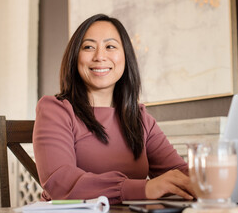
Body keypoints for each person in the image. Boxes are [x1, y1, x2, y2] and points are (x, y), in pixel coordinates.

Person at [33, 14, 195, 204]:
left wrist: (212, 177)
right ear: (75, 57)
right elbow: (60, 183)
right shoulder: (55, 110)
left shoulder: (140, 118)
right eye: (88, 47)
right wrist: (145, 188)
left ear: (125, 57)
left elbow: (176, 173)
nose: (100, 56)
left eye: (110, 46)